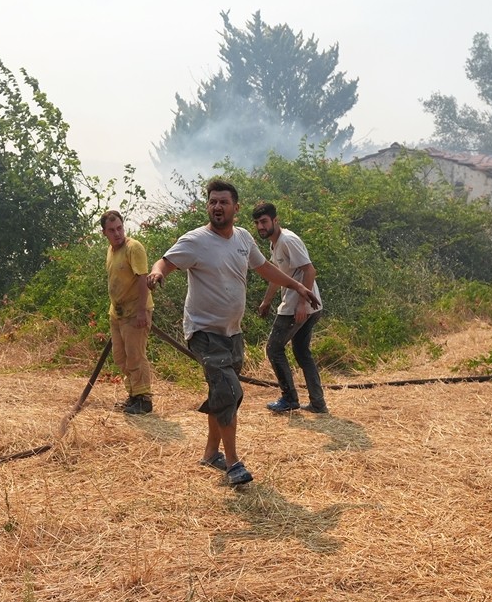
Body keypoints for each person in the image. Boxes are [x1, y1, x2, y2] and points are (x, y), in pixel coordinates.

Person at [147, 179, 319, 487]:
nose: (217, 206)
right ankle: (233, 463)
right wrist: (158, 272)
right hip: (203, 330)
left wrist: (298, 286)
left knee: (223, 395)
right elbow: (166, 261)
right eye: (213, 201)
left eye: (223, 202)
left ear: (235, 208)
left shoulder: (242, 238)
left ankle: (211, 452)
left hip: (232, 332)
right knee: (228, 391)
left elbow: (264, 267)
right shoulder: (195, 240)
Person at [252, 202, 327, 414]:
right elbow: (278, 275)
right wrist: (267, 301)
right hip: (309, 305)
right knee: (302, 352)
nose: (261, 227)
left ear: (276, 220)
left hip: (300, 306)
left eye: (264, 221)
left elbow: (309, 270)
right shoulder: (275, 243)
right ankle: (318, 404)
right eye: (257, 223)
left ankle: (289, 399)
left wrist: (302, 304)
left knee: (274, 348)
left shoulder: (288, 240)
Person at [101, 209, 155, 415]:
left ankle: (144, 399)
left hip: (136, 311)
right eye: (112, 230)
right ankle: (133, 396)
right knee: (121, 358)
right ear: (104, 232)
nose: (117, 233)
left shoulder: (134, 248)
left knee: (136, 356)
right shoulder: (111, 250)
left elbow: (143, 279)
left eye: (119, 228)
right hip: (117, 313)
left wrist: (142, 312)